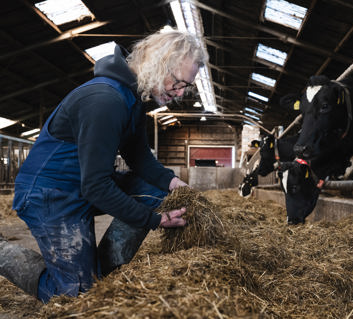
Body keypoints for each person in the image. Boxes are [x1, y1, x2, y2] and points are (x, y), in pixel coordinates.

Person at [0, 29, 208, 303]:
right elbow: (96, 186)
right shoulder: (105, 99)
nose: (180, 92)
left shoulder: (133, 99)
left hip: (82, 187)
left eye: (186, 87)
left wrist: (175, 184)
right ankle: (5, 253)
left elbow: (140, 158)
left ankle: (102, 275)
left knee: (156, 190)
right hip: (50, 194)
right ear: (159, 64)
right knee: (77, 299)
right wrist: (155, 220)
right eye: (179, 82)